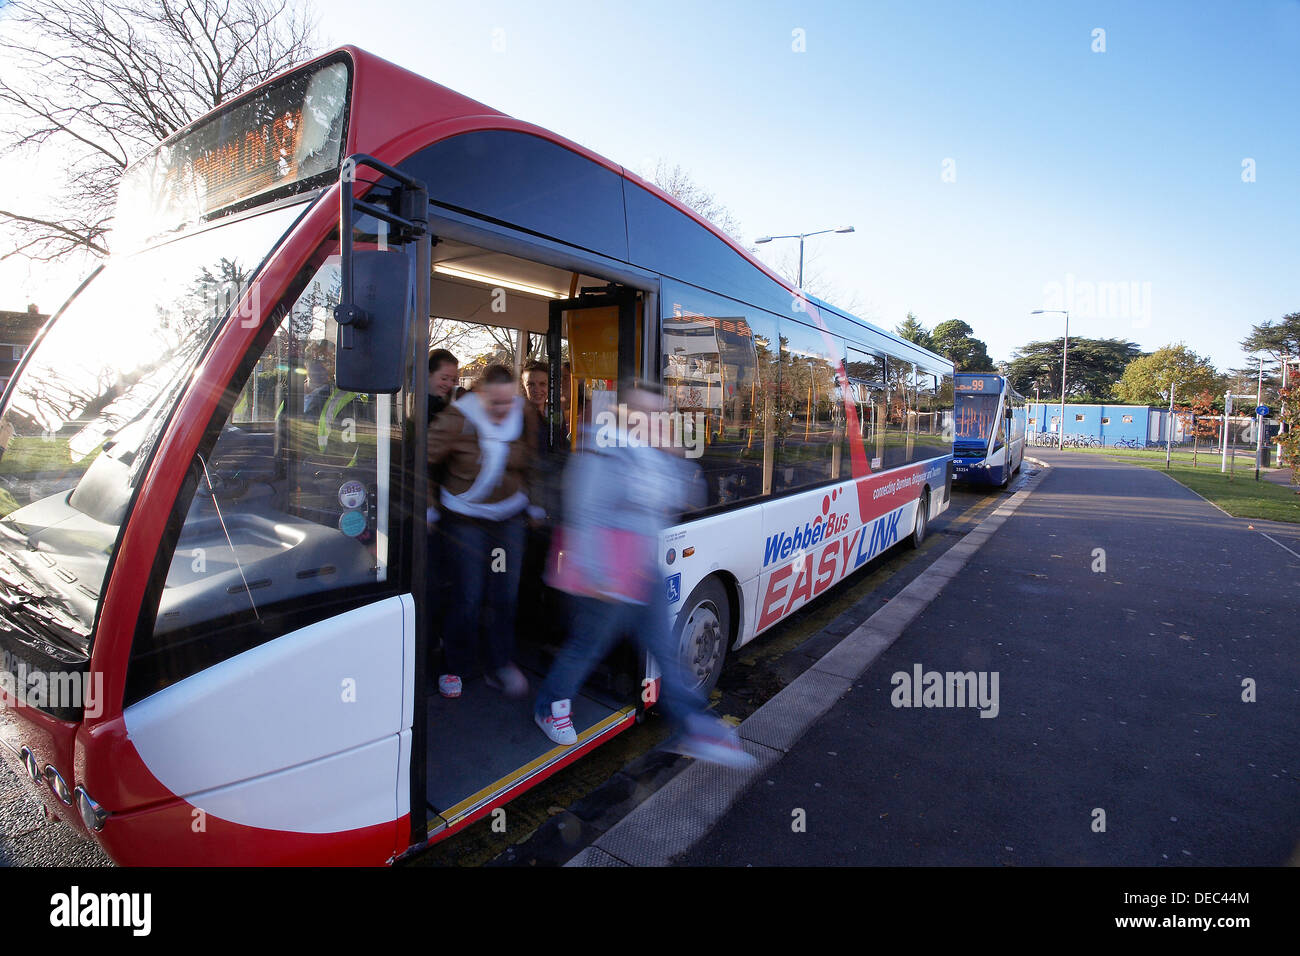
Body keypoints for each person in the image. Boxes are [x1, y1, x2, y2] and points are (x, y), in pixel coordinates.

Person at [533, 380, 756, 768]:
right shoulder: (602, 450)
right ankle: (550, 705)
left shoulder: (655, 453)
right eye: (644, 412)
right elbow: (586, 512)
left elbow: (689, 500)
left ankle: (691, 725)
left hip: (643, 569)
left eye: (657, 413)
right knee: (587, 645)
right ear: (623, 413)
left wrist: (676, 459)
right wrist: (598, 572)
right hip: (606, 572)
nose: (652, 419)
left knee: (665, 649)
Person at [428, 363, 540, 699]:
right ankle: (455, 664)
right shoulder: (456, 418)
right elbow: (422, 460)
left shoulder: (524, 414)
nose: (503, 410)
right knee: (469, 595)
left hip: (507, 522)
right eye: (495, 403)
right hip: (466, 522)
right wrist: (428, 505)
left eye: (508, 403)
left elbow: (533, 460)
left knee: (503, 594)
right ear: (480, 395)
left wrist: (534, 503)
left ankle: (498, 664)